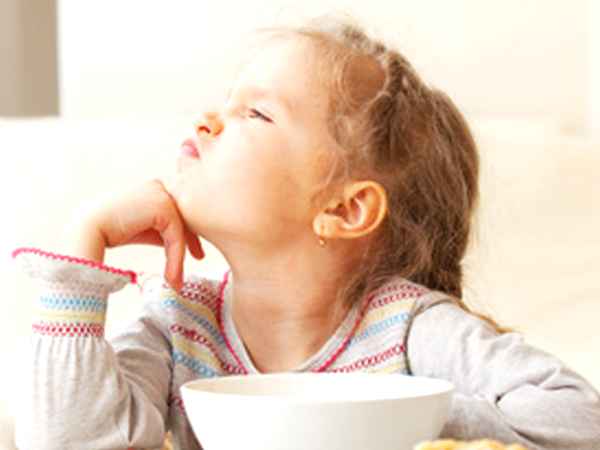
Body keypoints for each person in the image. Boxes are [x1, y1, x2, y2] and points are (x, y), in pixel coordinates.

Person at [11, 14, 600, 450]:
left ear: (345, 210)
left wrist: (399, 419)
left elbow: (578, 418)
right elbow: (69, 442)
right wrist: (81, 252)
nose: (206, 121)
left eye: (256, 113)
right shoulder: (178, 325)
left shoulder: (406, 328)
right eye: (227, 102)